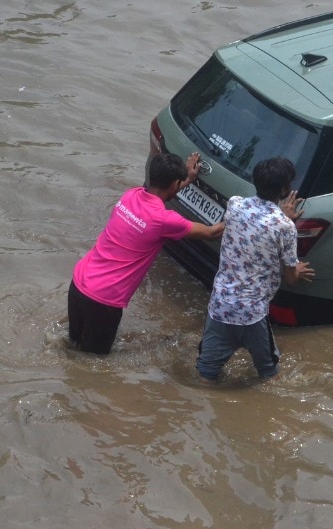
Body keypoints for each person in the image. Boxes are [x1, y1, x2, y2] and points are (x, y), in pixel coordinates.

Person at [68, 152, 225, 354]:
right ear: (173, 185)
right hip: (103, 300)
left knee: (73, 348)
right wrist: (244, 212)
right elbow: (213, 232)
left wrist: (186, 180)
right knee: (93, 363)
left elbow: (160, 194)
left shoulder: (130, 195)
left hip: (79, 284)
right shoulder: (164, 220)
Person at [196, 157, 315, 382]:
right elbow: (291, 278)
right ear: (285, 189)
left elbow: (251, 227)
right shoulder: (284, 226)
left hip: (220, 307)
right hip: (252, 315)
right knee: (269, 373)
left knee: (205, 373)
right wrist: (298, 268)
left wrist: (280, 217)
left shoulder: (235, 204)